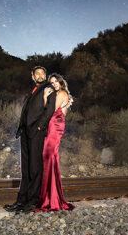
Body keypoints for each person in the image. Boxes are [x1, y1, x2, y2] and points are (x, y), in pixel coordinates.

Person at [5, 66, 57, 213]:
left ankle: (33, 202)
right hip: (26, 132)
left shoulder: (49, 88)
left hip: (36, 132)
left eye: (42, 73)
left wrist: (40, 127)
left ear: (45, 76)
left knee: (35, 168)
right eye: (37, 73)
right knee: (26, 169)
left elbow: (50, 110)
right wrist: (21, 128)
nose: (40, 75)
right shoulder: (33, 90)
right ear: (33, 76)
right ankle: (21, 202)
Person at [35, 73, 74, 212]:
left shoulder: (62, 93)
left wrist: (45, 98)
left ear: (61, 82)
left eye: (56, 81)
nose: (55, 83)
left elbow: (50, 110)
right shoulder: (56, 94)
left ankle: (51, 199)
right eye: (52, 82)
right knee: (48, 160)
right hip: (51, 128)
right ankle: (49, 197)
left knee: (49, 158)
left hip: (55, 129)